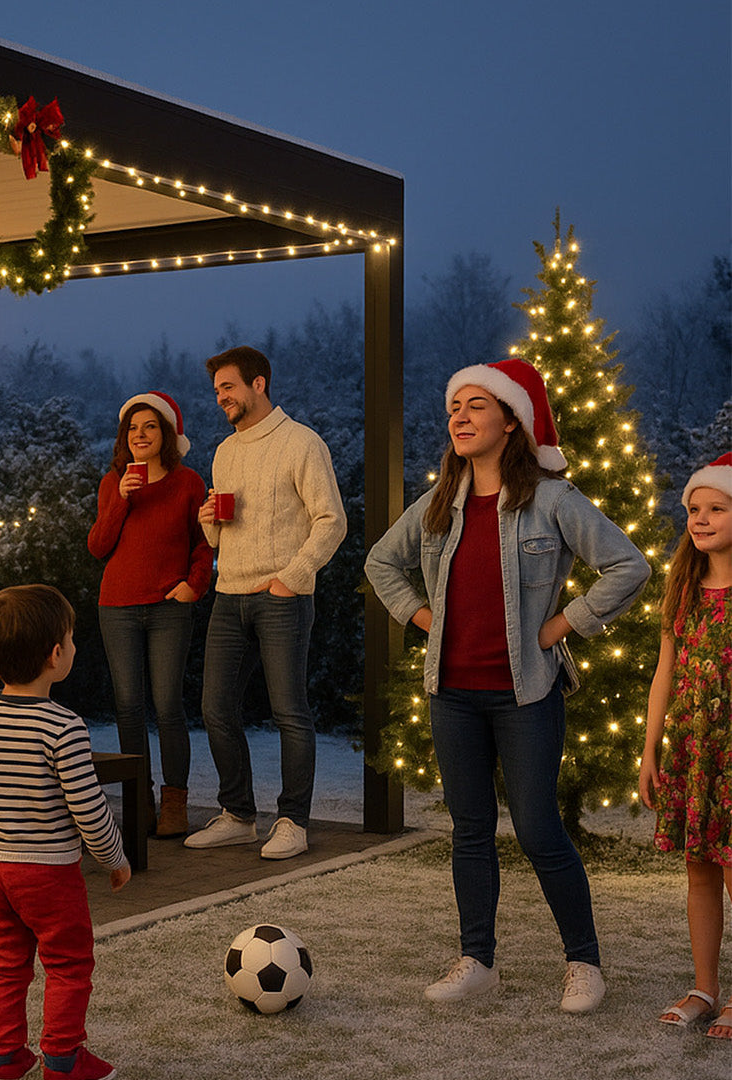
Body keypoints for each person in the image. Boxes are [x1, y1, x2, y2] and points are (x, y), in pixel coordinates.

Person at [365, 357, 651, 1014]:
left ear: (510, 420)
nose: (458, 418)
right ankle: (477, 961)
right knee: (469, 829)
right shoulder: (441, 503)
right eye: (453, 408)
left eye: (474, 405)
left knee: (537, 828)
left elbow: (627, 567)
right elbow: (383, 560)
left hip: (525, 695)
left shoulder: (552, 500)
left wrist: (562, 626)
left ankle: (583, 963)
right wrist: (422, 616)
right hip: (453, 695)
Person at [0, 584, 131, 1080]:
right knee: (69, 963)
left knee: (6, 964)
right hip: (47, 873)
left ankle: (6, 1059)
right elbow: (88, 809)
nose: (74, 648)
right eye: (72, 640)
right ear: (56, 655)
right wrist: (113, 859)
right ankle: (63, 1060)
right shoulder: (64, 726)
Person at [183, 346, 347, 860]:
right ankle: (238, 816)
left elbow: (331, 520)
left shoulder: (302, 443)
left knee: (289, 713)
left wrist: (292, 577)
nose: (220, 398)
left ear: (259, 383)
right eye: (216, 392)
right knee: (215, 709)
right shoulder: (225, 451)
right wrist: (209, 517)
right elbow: (216, 541)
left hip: (281, 598)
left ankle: (293, 821)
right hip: (229, 596)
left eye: (227, 387)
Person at [87, 391, 212, 839]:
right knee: (128, 707)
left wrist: (193, 585)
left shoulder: (189, 483)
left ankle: (174, 802)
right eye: (133, 428)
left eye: (150, 426)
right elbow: (98, 546)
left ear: (168, 434)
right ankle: (138, 800)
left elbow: (203, 544)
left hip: (168, 608)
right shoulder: (113, 482)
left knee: (168, 705)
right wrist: (121, 498)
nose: (140, 434)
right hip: (117, 606)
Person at [638, 453, 732, 1038]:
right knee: (700, 871)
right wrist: (649, 750)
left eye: (716, 508)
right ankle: (705, 986)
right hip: (694, 754)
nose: (700, 518)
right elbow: (664, 674)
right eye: (694, 509)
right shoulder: (685, 588)